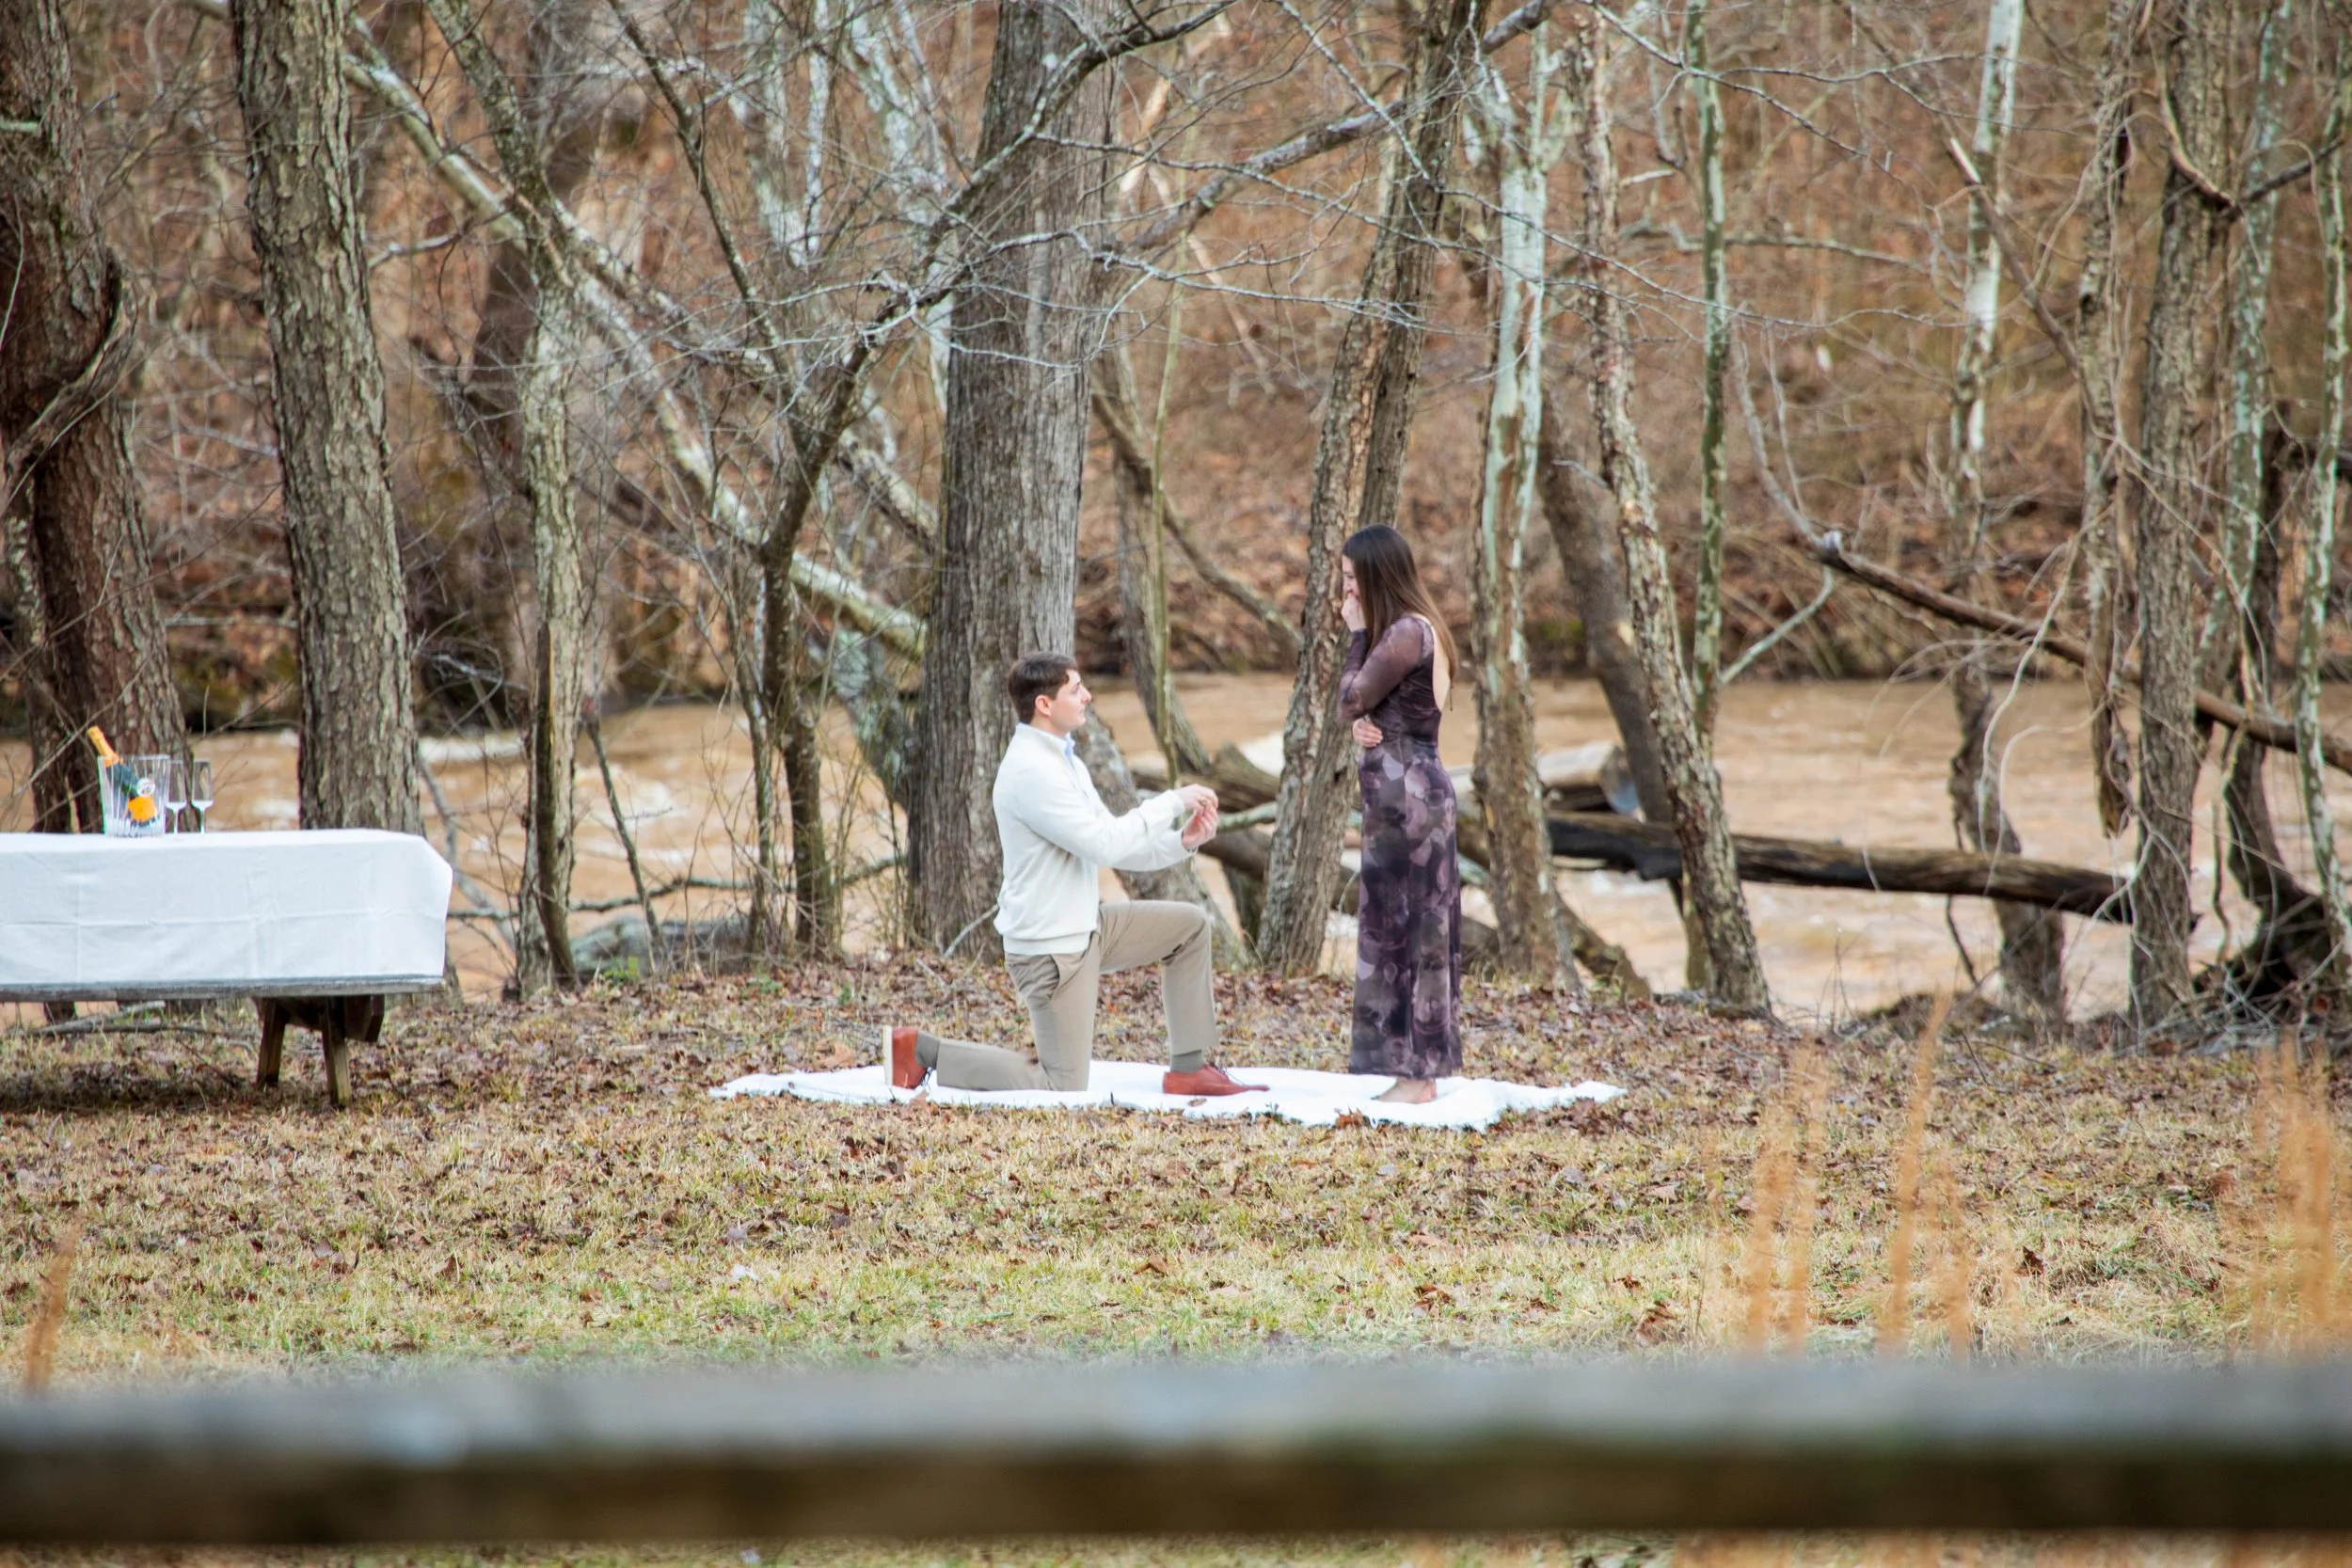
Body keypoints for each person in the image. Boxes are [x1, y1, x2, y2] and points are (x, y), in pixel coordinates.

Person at [884, 653, 1266, 1097]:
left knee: (1189, 928)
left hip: (1085, 926)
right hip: (1052, 950)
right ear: (1045, 704)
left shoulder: (1066, 761)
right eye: (1076, 689)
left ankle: (1189, 1069)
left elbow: (1113, 844)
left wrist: (1181, 841)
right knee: (1061, 1083)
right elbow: (1106, 844)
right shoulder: (1032, 771)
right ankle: (922, 1051)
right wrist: (1171, 801)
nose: (1087, 696)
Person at [1338, 525, 1462, 1105]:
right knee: (1400, 929)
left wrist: (1357, 636)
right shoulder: (1416, 629)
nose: (1347, 592)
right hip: (1406, 800)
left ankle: (1419, 1078)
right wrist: (1364, 726)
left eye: (1351, 579)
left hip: (1410, 804)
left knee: (1416, 932)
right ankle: (1412, 1071)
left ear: (1375, 576)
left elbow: (1349, 699)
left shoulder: (1408, 631)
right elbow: (1372, 712)